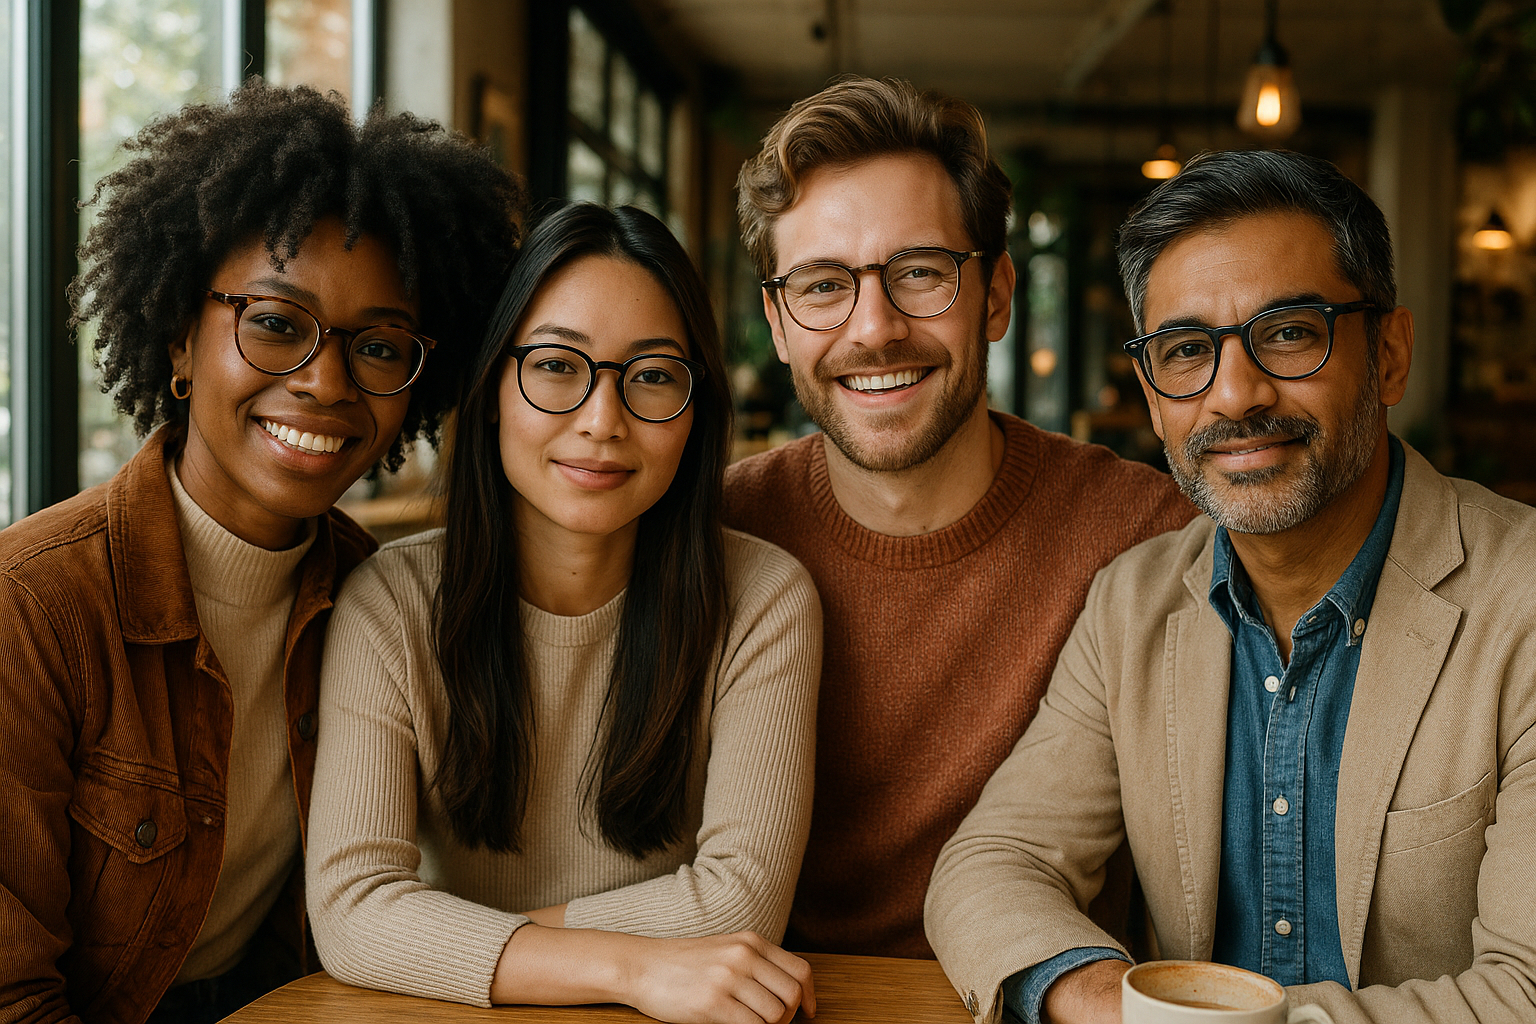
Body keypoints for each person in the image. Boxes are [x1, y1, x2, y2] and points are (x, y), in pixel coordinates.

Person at [926, 149, 1536, 1024]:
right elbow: (994, 861)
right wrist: (1106, 1002)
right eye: (1186, 351)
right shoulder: (1131, 604)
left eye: (1289, 332)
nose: (1235, 394)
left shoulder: (1523, 606)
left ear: (1390, 355)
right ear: (1151, 393)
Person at [0, 82, 521, 1024]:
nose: (325, 382)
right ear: (178, 342)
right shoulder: (31, 607)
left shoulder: (383, 596)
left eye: (379, 346)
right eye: (276, 324)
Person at [305, 203, 822, 1024]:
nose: (601, 422)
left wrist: (443, 940)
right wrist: (632, 967)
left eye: (653, 375)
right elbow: (352, 911)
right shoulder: (390, 605)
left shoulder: (763, 598)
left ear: (696, 411)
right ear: (491, 389)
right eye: (555, 366)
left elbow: (740, 906)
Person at [726, 76, 1196, 960]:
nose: (875, 328)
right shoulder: (714, 536)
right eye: (824, 284)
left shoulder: (1146, 535)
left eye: (920, 274)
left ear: (997, 296)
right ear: (777, 322)